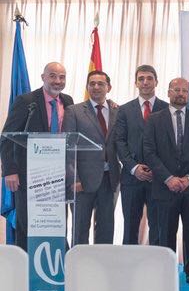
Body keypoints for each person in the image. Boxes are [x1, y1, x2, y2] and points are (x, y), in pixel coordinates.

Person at [143, 78, 189, 287]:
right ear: (169, 92)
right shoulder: (154, 120)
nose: (181, 93)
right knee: (165, 234)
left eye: (184, 90)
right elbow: (149, 152)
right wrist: (168, 178)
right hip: (164, 188)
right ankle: (166, 274)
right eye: (176, 90)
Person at [1, 62, 74, 250]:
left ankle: (53, 263)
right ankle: (25, 264)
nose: (57, 81)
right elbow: (7, 137)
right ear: (43, 77)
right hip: (29, 176)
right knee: (27, 225)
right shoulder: (26, 101)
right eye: (53, 76)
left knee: (55, 224)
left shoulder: (68, 101)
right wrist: (9, 170)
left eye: (62, 77)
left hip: (58, 177)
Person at [62, 70, 121, 245]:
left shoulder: (118, 111)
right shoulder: (74, 111)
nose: (96, 87)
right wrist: (74, 178)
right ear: (87, 87)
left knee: (106, 229)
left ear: (109, 87)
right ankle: (79, 262)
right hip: (82, 181)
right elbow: (68, 148)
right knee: (80, 229)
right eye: (92, 83)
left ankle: (102, 261)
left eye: (100, 84)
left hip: (109, 179)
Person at [113, 65, 169, 245]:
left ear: (156, 82)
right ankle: (128, 263)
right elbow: (119, 142)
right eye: (141, 79)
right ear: (136, 83)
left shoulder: (167, 108)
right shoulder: (124, 110)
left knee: (158, 229)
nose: (145, 82)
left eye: (149, 78)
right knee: (130, 228)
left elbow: (170, 144)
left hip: (159, 179)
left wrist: (158, 170)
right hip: (131, 178)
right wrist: (134, 167)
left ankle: (157, 262)